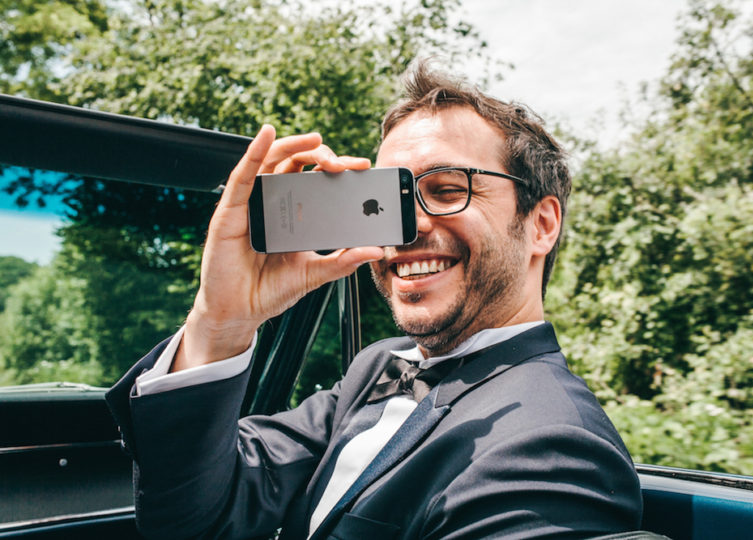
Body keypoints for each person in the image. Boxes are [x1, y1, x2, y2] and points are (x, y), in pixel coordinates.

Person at [106, 63, 643, 539]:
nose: (406, 231)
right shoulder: (376, 366)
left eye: (447, 188)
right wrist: (219, 321)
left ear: (541, 224)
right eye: (390, 200)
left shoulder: (551, 449)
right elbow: (193, 516)